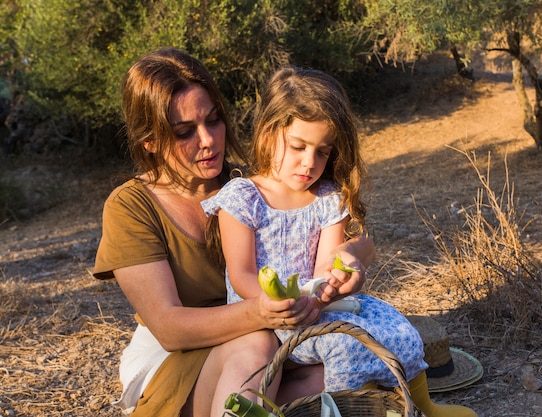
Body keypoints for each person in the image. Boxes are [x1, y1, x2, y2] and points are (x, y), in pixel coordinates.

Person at [92, 48, 375, 417]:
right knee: (255, 346)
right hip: (180, 357)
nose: (208, 140)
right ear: (151, 142)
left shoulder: (248, 187)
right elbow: (170, 328)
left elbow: (351, 234)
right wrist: (263, 312)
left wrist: (352, 258)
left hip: (273, 339)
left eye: (213, 120)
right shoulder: (130, 206)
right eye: (184, 132)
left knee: (348, 368)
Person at [202, 66, 478, 417]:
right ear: (271, 135)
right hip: (266, 315)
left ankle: (421, 404)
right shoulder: (243, 197)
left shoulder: (328, 198)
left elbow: (326, 265)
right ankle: (347, 406)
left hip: (316, 310)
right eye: (299, 146)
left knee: (399, 331)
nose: (309, 163)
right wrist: (279, 300)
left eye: (322, 151)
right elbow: (241, 276)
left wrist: (334, 282)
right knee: (346, 347)